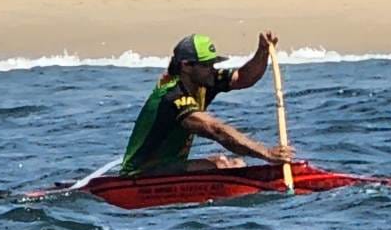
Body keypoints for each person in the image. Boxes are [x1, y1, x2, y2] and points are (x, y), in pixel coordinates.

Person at [120, 32, 290, 176]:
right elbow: (215, 130)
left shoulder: (204, 81)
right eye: (207, 65)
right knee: (221, 166)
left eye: (213, 63)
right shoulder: (173, 96)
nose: (212, 69)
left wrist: (262, 52)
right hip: (142, 173)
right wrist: (266, 153)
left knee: (232, 162)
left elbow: (243, 77)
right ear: (186, 66)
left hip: (171, 164)